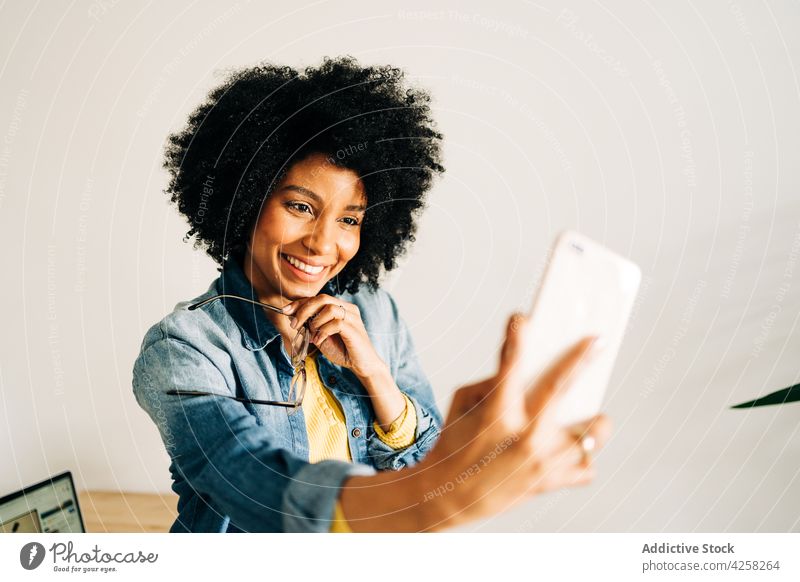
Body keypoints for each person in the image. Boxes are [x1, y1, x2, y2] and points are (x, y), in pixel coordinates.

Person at [132, 56, 611, 532]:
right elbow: (249, 482)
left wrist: (375, 376)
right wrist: (437, 501)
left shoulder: (376, 312)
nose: (322, 243)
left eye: (349, 219)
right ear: (246, 198)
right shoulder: (183, 349)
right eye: (300, 206)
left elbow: (427, 464)